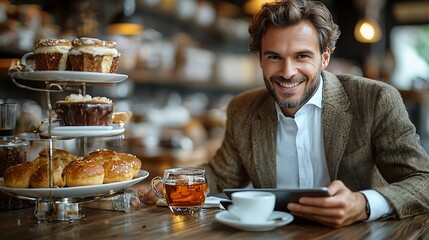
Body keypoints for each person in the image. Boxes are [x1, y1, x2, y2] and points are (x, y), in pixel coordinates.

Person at [144, 0, 429, 228]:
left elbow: (423, 181)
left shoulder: (375, 99)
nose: (287, 72)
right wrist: (164, 186)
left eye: (302, 56)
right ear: (260, 60)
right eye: (274, 57)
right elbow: (220, 177)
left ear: (325, 58)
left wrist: (363, 204)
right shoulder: (243, 109)